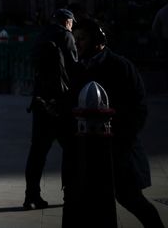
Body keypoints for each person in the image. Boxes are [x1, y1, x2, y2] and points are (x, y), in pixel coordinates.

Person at [67, 20, 165, 228]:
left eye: (82, 39)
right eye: (75, 40)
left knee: (131, 198)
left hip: (119, 147)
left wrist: (123, 138)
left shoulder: (120, 66)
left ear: (97, 40)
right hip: (87, 149)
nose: (77, 44)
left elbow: (138, 107)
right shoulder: (77, 68)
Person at [23, 8, 77, 209]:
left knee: (37, 152)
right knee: (71, 150)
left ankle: (31, 196)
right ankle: (70, 193)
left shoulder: (42, 35)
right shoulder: (66, 36)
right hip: (61, 102)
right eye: (72, 23)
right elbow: (73, 65)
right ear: (67, 22)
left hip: (40, 101)